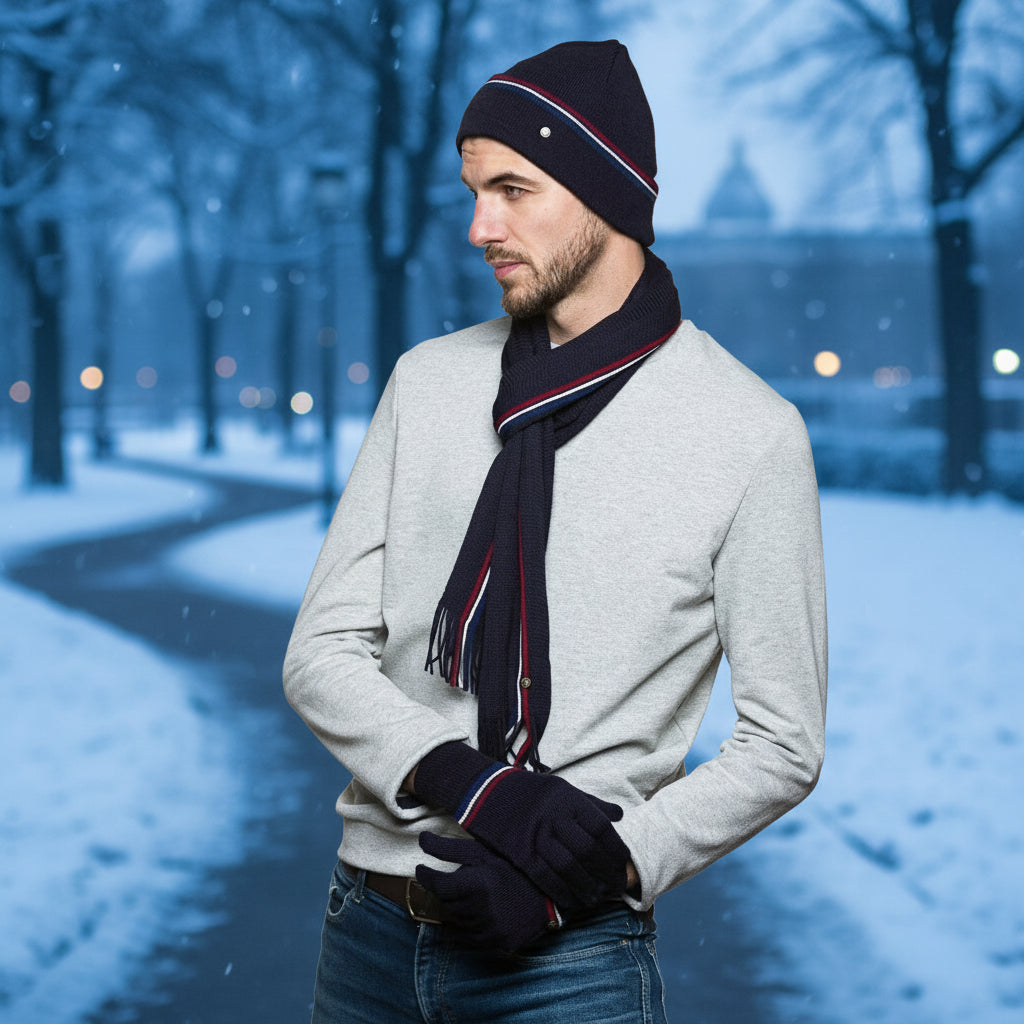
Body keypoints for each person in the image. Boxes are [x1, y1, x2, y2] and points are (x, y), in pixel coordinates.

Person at [284, 38, 827, 1024]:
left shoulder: (745, 432)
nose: (476, 224)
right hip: (366, 929)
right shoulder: (431, 383)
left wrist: (585, 872)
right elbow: (321, 653)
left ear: (602, 191)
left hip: (570, 961)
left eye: (512, 189)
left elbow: (783, 742)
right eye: (471, 190)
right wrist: (482, 789)